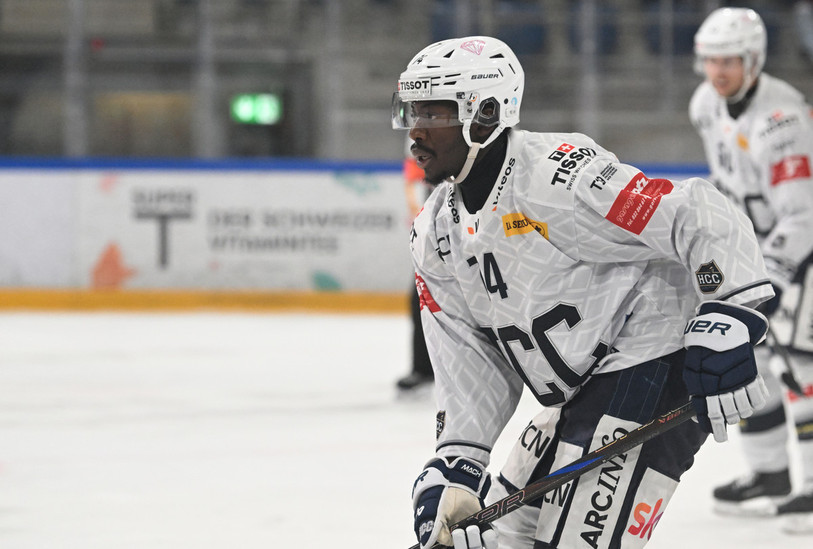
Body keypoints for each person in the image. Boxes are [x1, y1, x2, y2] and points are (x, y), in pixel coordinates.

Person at [392, 35, 775, 549]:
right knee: (502, 537)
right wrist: (459, 459)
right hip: (582, 389)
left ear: (485, 116)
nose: (416, 131)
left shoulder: (558, 175)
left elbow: (695, 211)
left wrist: (731, 309)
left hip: (654, 358)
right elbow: (469, 358)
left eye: (433, 114)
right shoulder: (434, 233)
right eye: (412, 113)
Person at [689, 6, 813, 534]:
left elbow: (805, 213)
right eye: (711, 60)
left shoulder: (782, 121)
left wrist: (777, 275)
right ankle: (770, 473)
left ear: (754, 60)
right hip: (759, 250)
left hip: (802, 248)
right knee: (752, 358)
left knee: (804, 367)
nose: (718, 71)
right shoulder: (704, 103)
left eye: (730, 61)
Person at [397, 138, 436, 395]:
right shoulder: (420, 134)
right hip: (435, 235)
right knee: (420, 300)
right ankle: (423, 368)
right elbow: (413, 175)